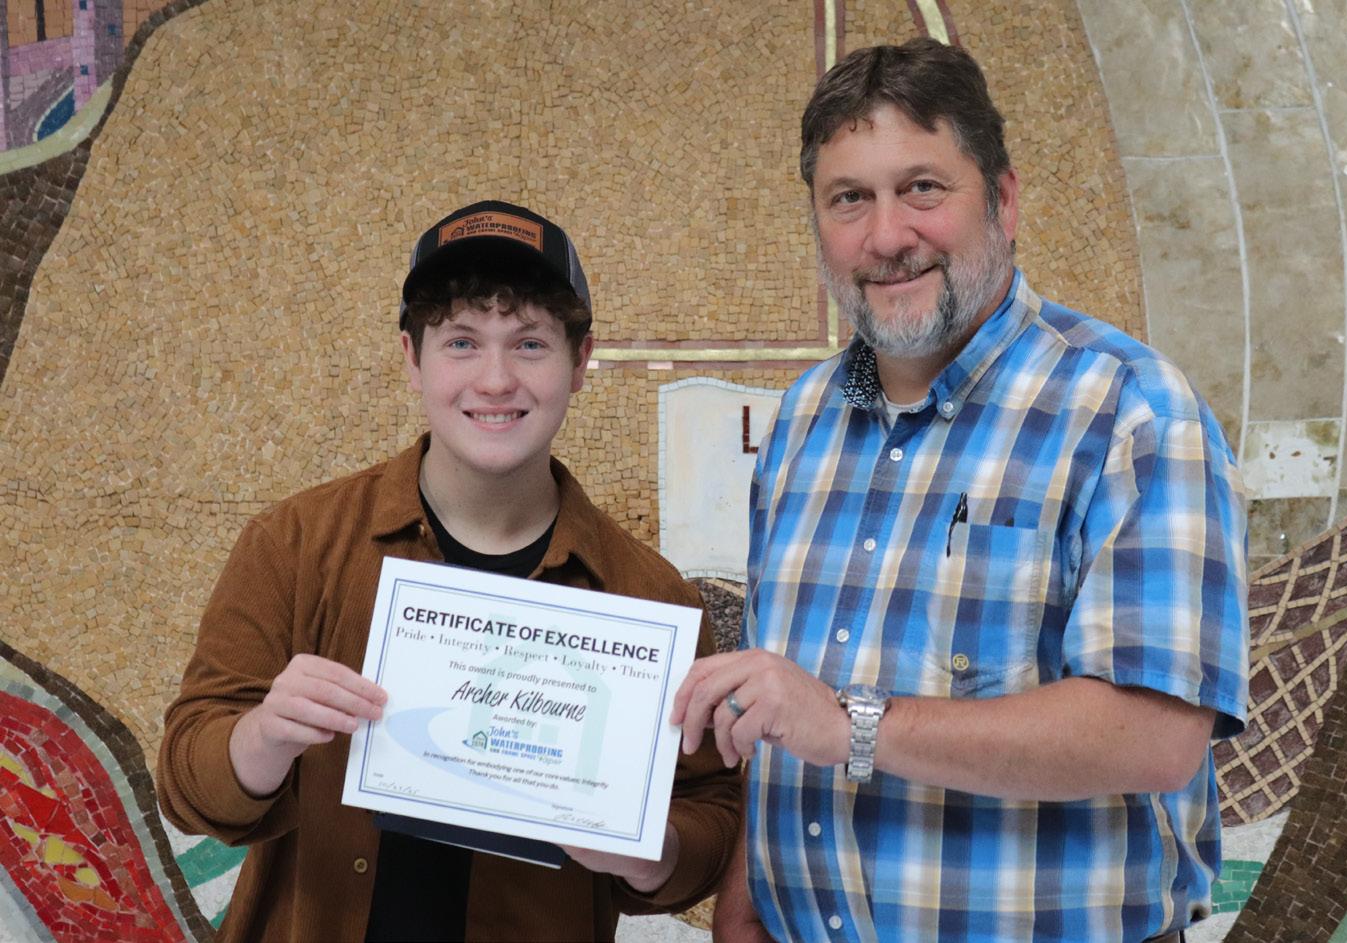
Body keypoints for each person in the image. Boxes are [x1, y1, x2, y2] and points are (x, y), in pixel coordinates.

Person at [672, 39, 1248, 943]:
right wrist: (745, 893)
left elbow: (1154, 737)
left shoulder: (1129, 411)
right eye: (849, 199)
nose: (886, 236)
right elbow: (787, 712)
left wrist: (852, 724)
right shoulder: (801, 422)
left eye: (922, 188)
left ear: (1004, 201)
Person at [159, 200, 740, 941]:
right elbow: (186, 782)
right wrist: (262, 739)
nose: (495, 380)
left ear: (580, 362)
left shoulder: (654, 599)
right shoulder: (295, 543)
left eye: (529, 344)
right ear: (412, 358)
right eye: (461, 342)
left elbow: (711, 813)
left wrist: (651, 852)